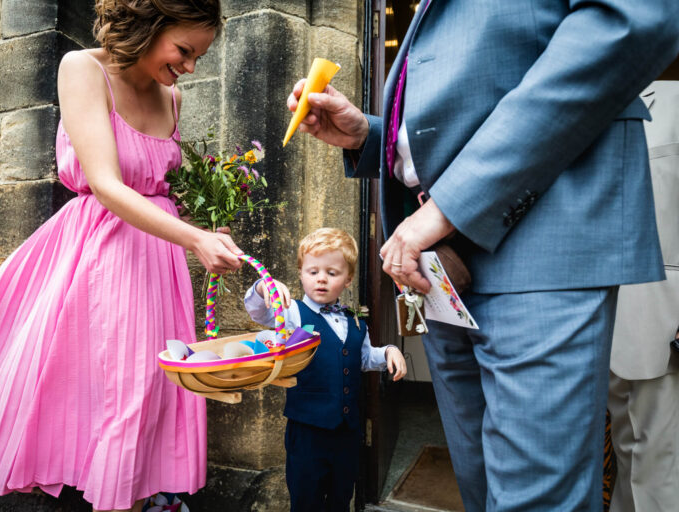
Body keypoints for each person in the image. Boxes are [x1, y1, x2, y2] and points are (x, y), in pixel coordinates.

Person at [287, 1, 679, 510]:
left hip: (543, 250)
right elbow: (469, 100)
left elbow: (628, 23)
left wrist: (451, 204)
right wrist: (371, 136)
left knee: (535, 499)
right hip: (444, 274)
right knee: (480, 489)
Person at [0, 1, 243, 511]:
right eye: (184, 50)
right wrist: (193, 237)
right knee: (122, 392)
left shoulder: (172, 97)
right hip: (102, 253)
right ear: (148, 25)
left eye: (199, 56)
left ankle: (137, 499)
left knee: (155, 392)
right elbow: (108, 185)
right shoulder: (82, 69)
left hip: (158, 264)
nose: (189, 67)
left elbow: (158, 187)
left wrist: (206, 231)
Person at [243, 227, 406, 512]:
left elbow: (364, 358)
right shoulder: (291, 313)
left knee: (341, 498)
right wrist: (261, 288)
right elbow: (259, 312)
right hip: (307, 432)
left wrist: (390, 351)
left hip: (347, 433)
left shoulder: (356, 321)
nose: (321, 279)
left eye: (332, 273)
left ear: (348, 279)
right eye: (313, 271)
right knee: (307, 500)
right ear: (301, 273)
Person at [607, 79, 679, 512]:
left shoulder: (675, 100)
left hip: (660, 319)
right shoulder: (571, 106)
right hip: (588, 321)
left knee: (659, 468)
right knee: (621, 458)